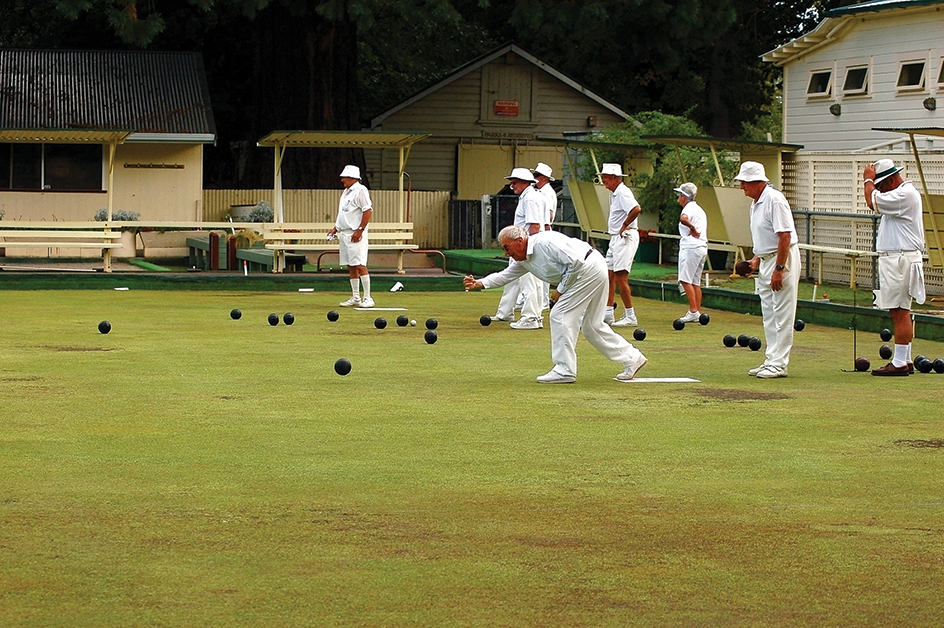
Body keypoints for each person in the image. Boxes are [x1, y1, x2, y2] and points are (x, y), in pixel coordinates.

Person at [464, 225, 648, 384]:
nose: (506, 253)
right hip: (590, 270)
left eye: (506, 248)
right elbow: (505, 275)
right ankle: (633, 358)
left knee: (559, 314)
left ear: (519, 241)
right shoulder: (523, 260)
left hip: (588, 268)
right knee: (592, 326)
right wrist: (480, 283)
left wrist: (560, 290)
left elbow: (575, 263)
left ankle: (564, 369)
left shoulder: (545, 243)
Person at [734, 161, 800, 379]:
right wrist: (755, 261)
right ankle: (771, 360)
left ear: (757, 182)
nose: (742, 186)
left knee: (782, 313)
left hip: (782, 260)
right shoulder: (756, 202)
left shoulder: (774, 199)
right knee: (769, 314)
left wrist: (779, 269)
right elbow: (768, 238)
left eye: (744, 182)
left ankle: (779, 364)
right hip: (766, 260)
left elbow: (785, 236)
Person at [864, 158, 926, 376]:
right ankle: (905, 359)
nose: (880, 190)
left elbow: (872, 201)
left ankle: (899, 362)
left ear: (890, 180)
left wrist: (868, 181)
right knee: (900, 310)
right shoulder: (902, 195)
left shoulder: (904, 194)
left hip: (900, 259)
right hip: (899, 258)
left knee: (899, 311)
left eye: (881, 185)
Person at [489, 167, 546, 329]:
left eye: (514, 183)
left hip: (525, 247)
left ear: (524, 183)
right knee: (512, 279)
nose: (512, 185)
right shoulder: (528, 196)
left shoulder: (530, 199)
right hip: (520, 246)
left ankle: (531, 318)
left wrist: (526, 249)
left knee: (528, 282)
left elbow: (534, 226)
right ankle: (505, 312)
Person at [328, 165, 374, 307]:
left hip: (355, 233)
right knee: (351, 265)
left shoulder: (361, 190)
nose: (342, 180)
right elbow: (344, 213)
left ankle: (368, 298)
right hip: (345, 233)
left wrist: (360, 230)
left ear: (353, 178)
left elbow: (367, 211)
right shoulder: (346, 192)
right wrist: (335, 228)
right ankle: (356, 297)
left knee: (360, 264)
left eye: (345, 177)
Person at [599, 163, 639, 327]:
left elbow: (636, 209)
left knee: (621, 277)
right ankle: (608, 313)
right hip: (616, 237)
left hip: (625, 237)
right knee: (609, 275)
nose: (603, 181)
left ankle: (630, 315)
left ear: (615, 178)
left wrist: (624, 225)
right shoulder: (616, 194)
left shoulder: (623, 192)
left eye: (605, 178)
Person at [675, 182, 708, 323]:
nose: (678, 197)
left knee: (685, 279)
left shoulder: (688, 208)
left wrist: (692, 227)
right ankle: (697, 311)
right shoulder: (699, 209)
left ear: (684, 196)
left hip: (691, 246)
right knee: (695, 281)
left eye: (679, 195)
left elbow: (683, 219)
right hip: (701, 246)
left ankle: (693, 311)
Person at [532, 162, 557, 310]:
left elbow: (549, 214)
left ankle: (542, 301)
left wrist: (545, 229)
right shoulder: (541, 191)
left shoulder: (547, 192)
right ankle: (538, 300)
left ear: (544, 178)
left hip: (543, 231)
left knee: (542, 266)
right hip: (542, 230)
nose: (534, 178)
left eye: (536, 175)